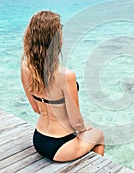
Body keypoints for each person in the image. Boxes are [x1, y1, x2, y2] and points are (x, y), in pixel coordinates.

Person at [21, 11, 104, 162]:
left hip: (39, 139)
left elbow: (36, 108)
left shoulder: (26, 67)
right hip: (61, 144)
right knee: (98, 135)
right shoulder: (66, 75)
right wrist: (84, 128)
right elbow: (76, 123)